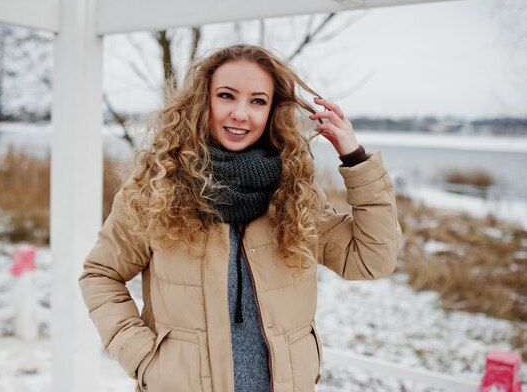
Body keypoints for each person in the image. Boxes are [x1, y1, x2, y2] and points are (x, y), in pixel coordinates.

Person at [79, 44, 401, 392]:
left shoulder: (295, 194)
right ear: (204, 101)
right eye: (226, 96)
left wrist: (355, 159)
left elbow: (372, 260)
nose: (240, 113)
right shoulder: (155, 189)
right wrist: (146, 359)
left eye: (257, 101)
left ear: (272, 110)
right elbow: (100, 275)